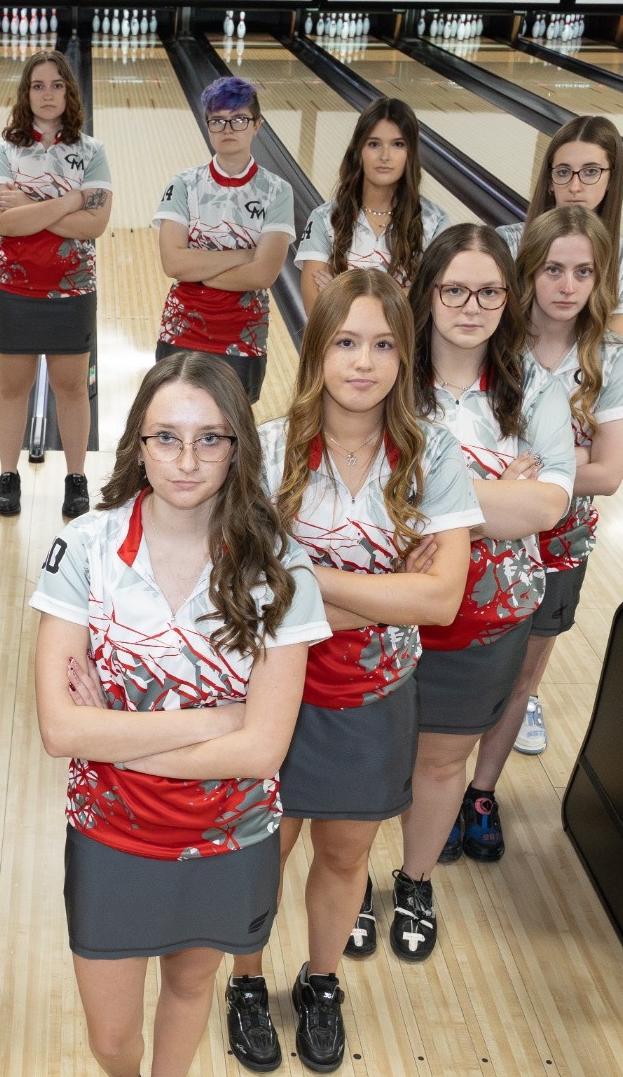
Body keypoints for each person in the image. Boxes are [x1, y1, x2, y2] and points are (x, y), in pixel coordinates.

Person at [32, 351, 328, 1077]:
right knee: (110, 1039)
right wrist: (217, 718)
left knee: (193, 984)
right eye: (165, 436)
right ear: (138, 442)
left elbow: (262, 752)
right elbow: (61, 730)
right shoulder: (84, 546)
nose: (186, 459)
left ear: (237, 446)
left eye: (209, 437)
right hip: (110, 833)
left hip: (227, 836)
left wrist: (117, 739)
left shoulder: (281, 565)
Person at [223, 268, 478, 1073]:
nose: (362, 362)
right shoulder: (265, 450)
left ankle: (321, 979)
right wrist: (385, 593)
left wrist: (307, 578)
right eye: (343, 342)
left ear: (404, 356)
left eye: (380, 344)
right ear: (315, 350)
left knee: (343, 857)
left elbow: (439, 600)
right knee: (264, 849)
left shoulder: (431, 453)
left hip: (372, 700)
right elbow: (243, 588)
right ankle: (245, 981)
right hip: (274, 696)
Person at [384, 225, 574, 954]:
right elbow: (373, 498)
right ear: (427, 292)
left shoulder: (535, 389)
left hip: (489, 618)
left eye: (489, 290)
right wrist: (494, 489)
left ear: (509, 295)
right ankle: (355, 881)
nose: (471, 305)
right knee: (375, 759)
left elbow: (548, 507)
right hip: (385, 612)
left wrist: (426, 488)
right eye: (454, 289)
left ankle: (412, 879)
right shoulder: (388, 375)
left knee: (439, 762)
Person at [489, 205, 623, 773]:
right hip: (482, 535)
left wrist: (519, 472)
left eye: (583, 273)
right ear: (528, 270)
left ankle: (480, 792)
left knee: (521, 682)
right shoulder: (492, 343)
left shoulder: (612, 358)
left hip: (562, 540)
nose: (568, 286)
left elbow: (609, 473)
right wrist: (573, 458)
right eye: (553, 269)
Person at [0, 49, 113, 518]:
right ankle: (7, 475)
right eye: (38, 85)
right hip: (13, 289)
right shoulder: (6, 149)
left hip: (72, 290)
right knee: (11, 386)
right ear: (26, 93)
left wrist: (31, 203)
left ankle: (76, 478)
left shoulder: (92, 151)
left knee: (71, 386)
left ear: (69, 92)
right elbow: (5, 223)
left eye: (57, 85)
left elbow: (94, 225)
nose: (47, 94)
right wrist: (72, 199)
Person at [152, 76, 295, 403]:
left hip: (243, 337)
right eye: (217, 120)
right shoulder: (183, 184)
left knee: (233, 438)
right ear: (207, 125)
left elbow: (263, 275)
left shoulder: (278, 191)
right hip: (181, 330)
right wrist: (244, 254)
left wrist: (196, 265)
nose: (228, 128)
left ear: (257, 125)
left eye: (239, 119)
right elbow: (173, 263)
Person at [495, 115, 623, 341]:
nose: (575, 187)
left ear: (612, 179)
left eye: (590, 172)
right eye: (564, 172)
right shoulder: (506, 243)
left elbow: (616, 357)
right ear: (549, 180)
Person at [296, 98, 450, 307]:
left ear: (410, 153)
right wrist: (404, 293)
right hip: (339, 341)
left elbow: (436, 299)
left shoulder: (435, 221)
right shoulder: (323, 218)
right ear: (359, 151)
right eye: (374, 144)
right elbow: (314, 308)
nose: (385, 156)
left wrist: (343, 294)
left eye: (398, 144)